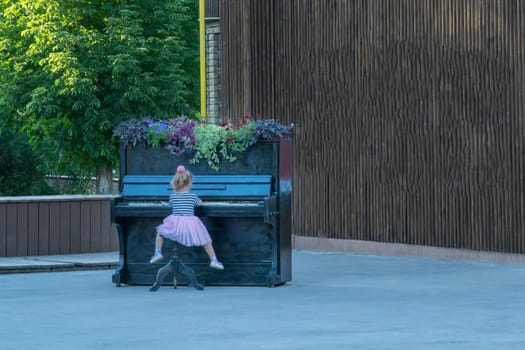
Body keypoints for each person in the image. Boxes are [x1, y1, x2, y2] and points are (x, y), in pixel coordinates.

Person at [149, 165, 224, 270]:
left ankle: (157, 253)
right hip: (190, 227)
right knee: (205, 240)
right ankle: (213, 260)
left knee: (160, 233)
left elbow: (170, 205)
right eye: (191, 182)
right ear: (188, 184)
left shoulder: (172, 196)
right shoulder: (193, 196)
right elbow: (200, 203)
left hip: (175, 227)